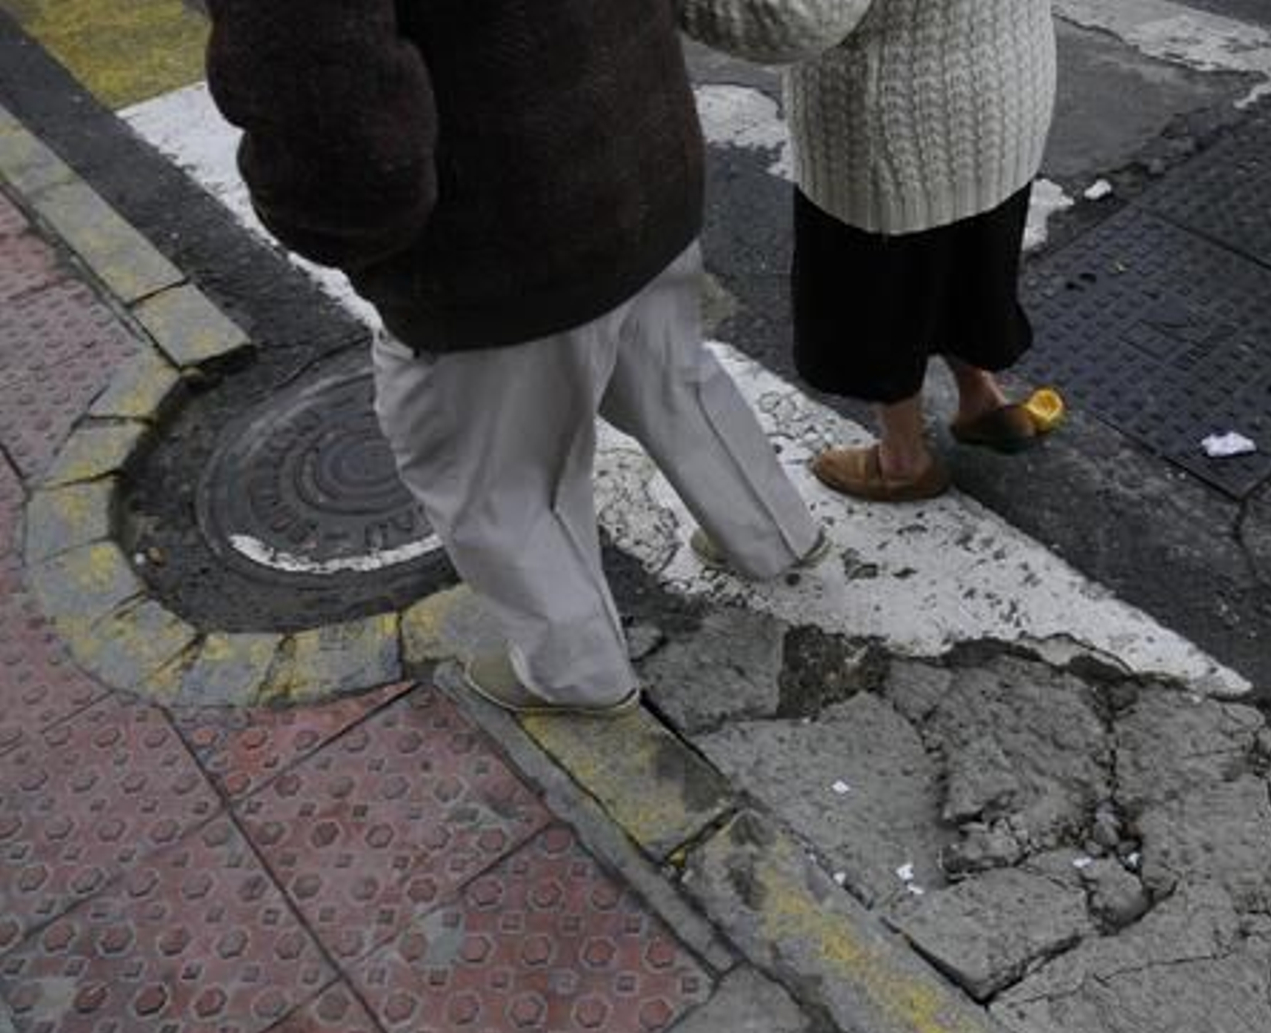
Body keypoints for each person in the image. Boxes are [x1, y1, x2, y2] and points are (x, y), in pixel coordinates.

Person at [205, 0, 825, 716]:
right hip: (642, 154)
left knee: (495, 479)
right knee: (669, 373)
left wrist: (361, 241)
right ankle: (774, 537)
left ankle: (579, 677)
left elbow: (331, 118)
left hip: (498, 237)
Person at [679, 0, 1058, 502]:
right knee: (969, 263)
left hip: (900, 124)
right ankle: (981, 402)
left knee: (883, 302)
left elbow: (795, 22)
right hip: (1005, 86)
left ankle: (902, 461)